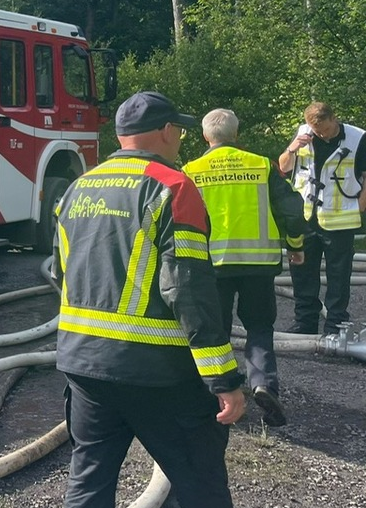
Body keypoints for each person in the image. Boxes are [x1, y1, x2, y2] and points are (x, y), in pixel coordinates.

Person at [53, 91, 245, 508]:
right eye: (179, 131)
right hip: (159, 372)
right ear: (166, 131)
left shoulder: (77, 188)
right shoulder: (174, 187)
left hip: (83, 363)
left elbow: (59, 274)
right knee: (202, 486)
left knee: (88, 485)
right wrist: (223, 379)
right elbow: (189, 291)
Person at [183, 109, 306, 427]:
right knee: (260, 327)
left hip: (211, 265)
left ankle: (219, 394)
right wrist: (295, 246)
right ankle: (263, 384)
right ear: (236, 135)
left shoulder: (191, 171)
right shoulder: (261, 165)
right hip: (258, 264)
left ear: (205, 137)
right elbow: (292, 211)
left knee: (216, 329)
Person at [276, 101, 366, 336]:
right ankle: (305, 322)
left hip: (341, 218)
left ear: (334, 119)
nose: (322, 135)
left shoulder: (357, 138)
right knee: (302, 272)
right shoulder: (303, 134)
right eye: (317, 131)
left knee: (339, 276)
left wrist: (361, 205)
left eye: (325, 130)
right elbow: (283, 168)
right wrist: (292, 148)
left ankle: (335, 324)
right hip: (306, 217)